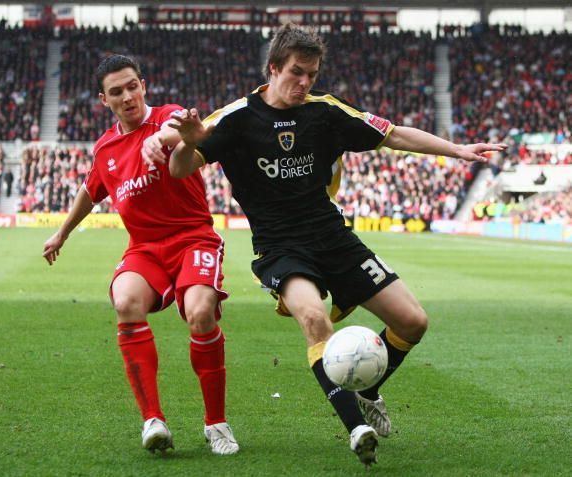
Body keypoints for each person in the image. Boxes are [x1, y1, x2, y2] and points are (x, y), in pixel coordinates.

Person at [142, 23, 506, 466]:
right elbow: (181, 168)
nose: (305, 83)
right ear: (273, 68)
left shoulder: (326, 112)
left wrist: (457, 149)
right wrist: (189, 144)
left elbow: (392, 134)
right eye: (297, 72)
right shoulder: (235, 118)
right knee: (314, 318)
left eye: (312, 74)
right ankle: (357, 427)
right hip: (280, 247)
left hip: (333, 237)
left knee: (413, 322)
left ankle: (369, 386)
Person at [42, 54, 239, 456]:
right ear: (104, 100)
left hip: (192, 238)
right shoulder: (106, 148)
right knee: (126, 299)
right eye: (117, 91)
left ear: (143, 85)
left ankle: (216, 422)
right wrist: (61, 233)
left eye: (133, 86)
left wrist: (167, 137)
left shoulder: (168, 116)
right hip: (145, 248)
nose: (128, 96)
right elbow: (90, 190)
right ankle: (153, 419)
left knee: (200, 313)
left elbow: (194, 129)